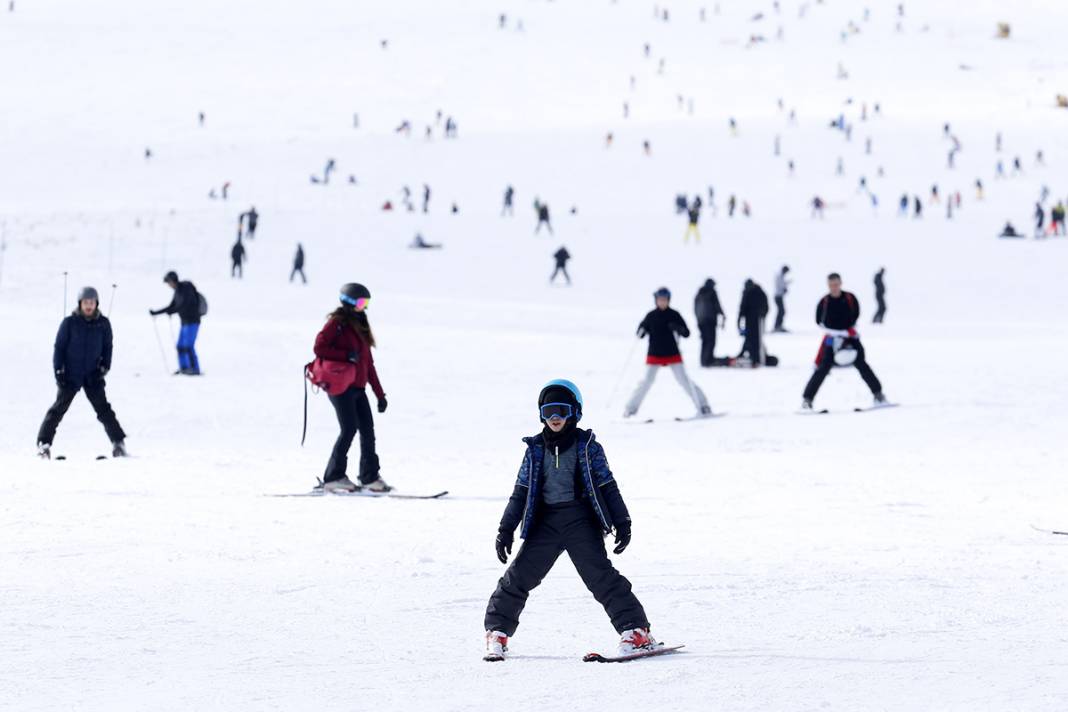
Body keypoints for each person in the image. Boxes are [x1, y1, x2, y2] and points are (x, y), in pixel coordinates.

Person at [484, 380, 657, 661]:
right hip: (545, 524)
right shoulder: (534, 449)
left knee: (600, 577)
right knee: (518, 577)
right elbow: (521, 491)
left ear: (575, 413)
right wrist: (505, 529)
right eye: (548, 411)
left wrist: (623, 522)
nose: (555, 418)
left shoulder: (587, 447)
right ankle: (497, 632)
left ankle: (636, 631)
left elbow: (607, 485)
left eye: (561, 411)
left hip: (580, 522)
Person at [312, 283, 390, 493]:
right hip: (340, 386)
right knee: (349, 429)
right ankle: (333, 476)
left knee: (367, 431)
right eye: (362, 302)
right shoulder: (336, 323)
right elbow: (319, 348)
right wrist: (346, 356)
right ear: (349, 301)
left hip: (358, 387)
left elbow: (368, 365)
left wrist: (380, 395)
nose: (365, 307)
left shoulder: (361, 324)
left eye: (367, 303)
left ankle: (369, 476)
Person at [36, 287, 127, 459]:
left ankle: (118, 443)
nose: (88, 306)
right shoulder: (69, 323)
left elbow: (107, 347)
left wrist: (104, 367)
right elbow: (59, 347)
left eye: (91, 302)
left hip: (93, 375)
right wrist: (58, 370)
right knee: (58, 409)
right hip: (71, 375)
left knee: (103, 409)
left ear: (96, 304)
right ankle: (43, 444)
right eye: (85, 302)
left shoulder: (103, 324)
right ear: (80, 304)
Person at [801, 273, 887, 410]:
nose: (834, 287)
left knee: (862, 365)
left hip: (850, 337)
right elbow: (819, 321)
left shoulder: (850, 298)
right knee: (822, 368)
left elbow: (856, 314)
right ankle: (807, 400)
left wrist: (847, 332)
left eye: (836, 284)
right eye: (831, 285)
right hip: (831, 339)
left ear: (840, 283)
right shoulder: (824, 302)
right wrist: (835, 333)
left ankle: (878, 395)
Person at [624, 287, 711, 418]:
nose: (662, 302)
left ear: (668, 300)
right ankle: (630, 409)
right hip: (654, 354)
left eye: (664, 299)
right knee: (646, 382)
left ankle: (703, 405)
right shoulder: (651, 316)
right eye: (660, 299)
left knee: (684, 380)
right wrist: (641, 330)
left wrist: (678, 328)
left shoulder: (674, 315)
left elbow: (686, 333)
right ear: (656, 300)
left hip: (672, 354)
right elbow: (641, 332)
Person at [150, 271, 203, 375]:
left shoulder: (186, 288)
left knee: (188, 346)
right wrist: (156, 313)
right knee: (180, 346)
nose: (168, 285)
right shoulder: (177, 292)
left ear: (173, 280)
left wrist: (172, 311)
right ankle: (184, 368)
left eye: (168, 282)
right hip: (184, 322)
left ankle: (195, 369)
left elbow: (184, 305)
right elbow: (171, 307)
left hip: (193, 321)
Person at [736, 279, 769, 365]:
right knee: (751, 339)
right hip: (751, 320)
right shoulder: (756, 292)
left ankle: (757, 358)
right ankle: (753, 357)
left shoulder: (757, 292)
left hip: (757, 320)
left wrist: (762, 314)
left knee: (755, 339)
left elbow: (765, 306)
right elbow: (743, 307)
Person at [694, 278, 725, 367]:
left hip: (701, 322)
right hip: (710, 321)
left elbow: (695, 309)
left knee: (705, 341)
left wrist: (698, 320)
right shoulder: (711, 292)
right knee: (711, 340)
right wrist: (722, 314)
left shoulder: (699, 294)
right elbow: (717, 305)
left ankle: (704, 360)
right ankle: (709, 360)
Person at [773, 265, 790, 332]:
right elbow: (780, 284)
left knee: (781, 311)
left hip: (779, 296)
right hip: (778, 296)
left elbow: (781, 284)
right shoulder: (779, 276)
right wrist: (784, 288)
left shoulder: (781, 276)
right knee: (781, 311)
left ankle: (778, 325)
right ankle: (777, 326)